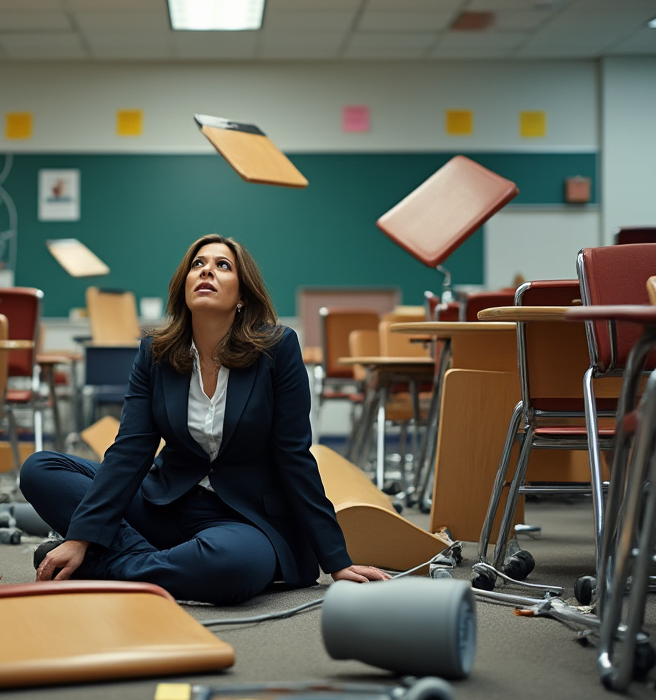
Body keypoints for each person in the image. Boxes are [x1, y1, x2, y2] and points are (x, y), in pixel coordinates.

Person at [19, 234, 388, 605]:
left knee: (232, 566)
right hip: (165, 503)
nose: (206, 270)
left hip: (244, 520)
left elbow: (294, 455)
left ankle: (107, 567)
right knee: (40, 468)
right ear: (184, 286)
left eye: (222, 265)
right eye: (198, 265)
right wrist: (83, 537)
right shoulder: (155, 352)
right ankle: (142, 560)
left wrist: (336, 560)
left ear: (243, 295)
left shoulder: (277, 348)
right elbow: (131, 449)